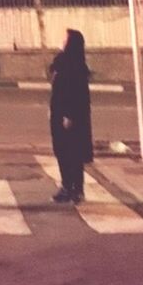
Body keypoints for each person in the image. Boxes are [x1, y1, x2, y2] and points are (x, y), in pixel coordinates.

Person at [49, 29, 93, 205]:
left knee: (73, 153)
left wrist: (69, 115)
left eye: (64, 38)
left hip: (70, 116)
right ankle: (67, 186)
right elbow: (57, 89)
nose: (61, 41)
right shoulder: (62, 61)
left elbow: (76, 94)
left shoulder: (75, 65)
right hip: (58, 113)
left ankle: (76, 189)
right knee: (62, 152)